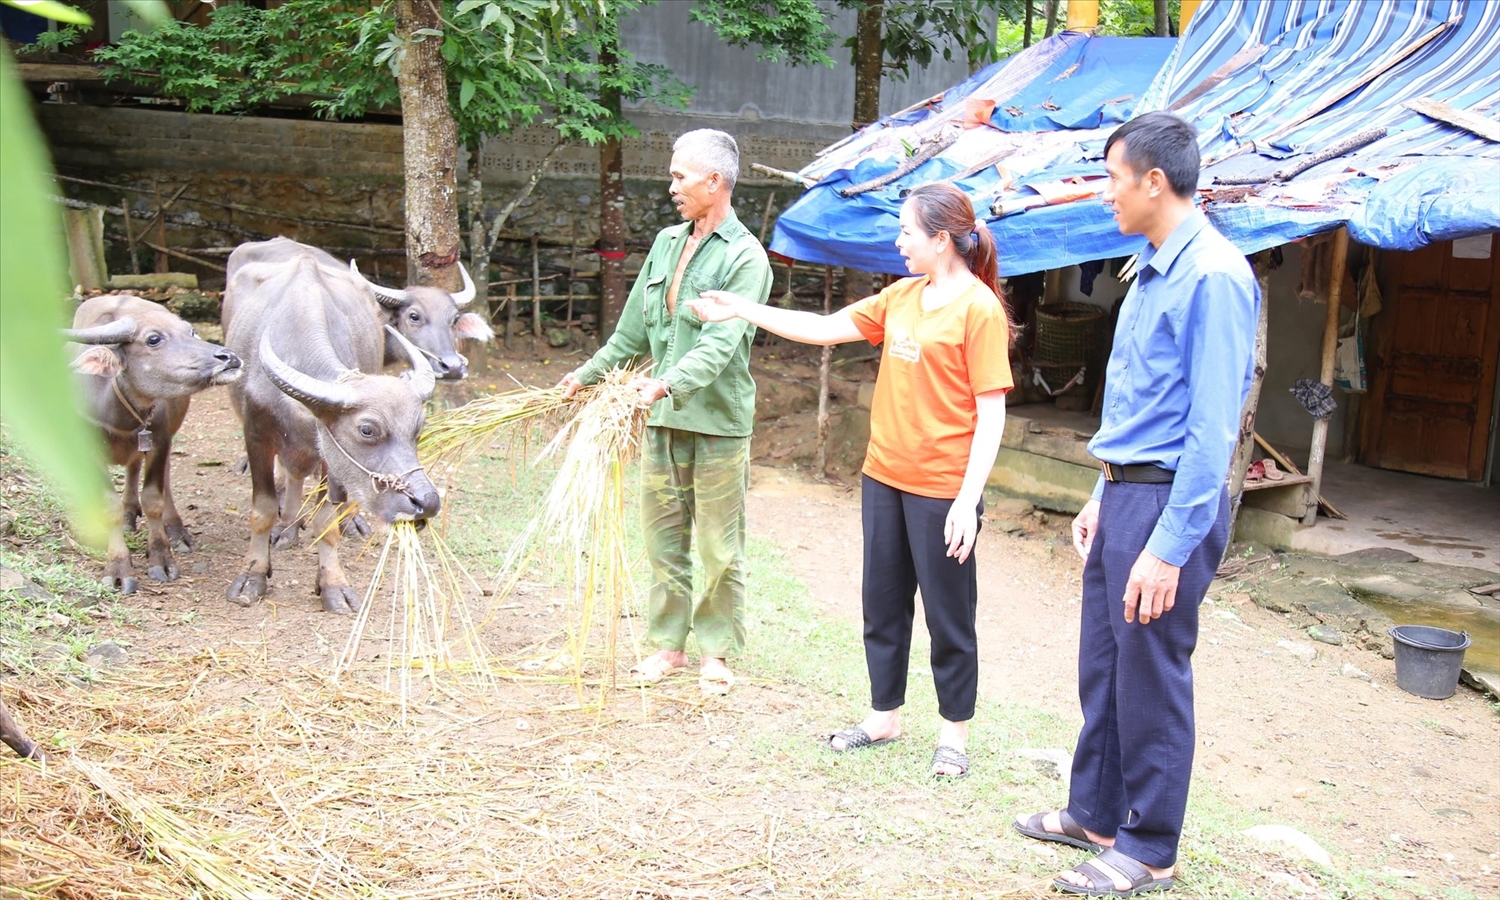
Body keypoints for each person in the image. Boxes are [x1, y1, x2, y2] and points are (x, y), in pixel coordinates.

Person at [1011, 112, 1258, 897]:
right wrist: (1098, 490)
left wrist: (1168, 545)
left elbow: (1211, 428)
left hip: (1168, 507)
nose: (1106, 194)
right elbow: (1140, 405)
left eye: (1113, 179)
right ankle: (1095, 813)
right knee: (1106, 663)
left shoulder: (1214, 275)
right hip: (1126, 494)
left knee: (1151, 673)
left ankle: (1151, 846)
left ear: (1155, 181)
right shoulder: (1150, 265)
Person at [691, 182, 1012, 778]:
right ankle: (884, 716)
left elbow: (991, 411)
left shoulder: (979, 309)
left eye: (907, 233)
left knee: (948, 614)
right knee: (882, 603)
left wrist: (968, 501)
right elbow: (823, 327)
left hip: (943, 488)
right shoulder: (902, 297)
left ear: (941, 240)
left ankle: (954, 735)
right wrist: (741, 309)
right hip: (883, 477)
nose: (898, 243)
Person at [560, 129, 771, 696]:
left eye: (680, 176)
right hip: (662, 420)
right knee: (663, 539)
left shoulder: (746, 258)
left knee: (719, 547)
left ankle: (717, 653)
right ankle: (668, 647)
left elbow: (719, 347)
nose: (671, 185)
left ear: (714, 182)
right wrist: (584, 377)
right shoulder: (665, 243)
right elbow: (631, 333)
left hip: (718, 423)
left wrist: (663, 385)